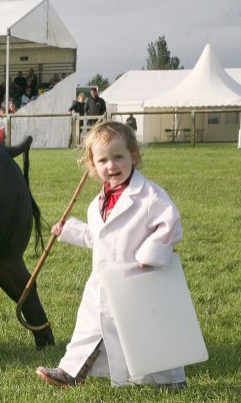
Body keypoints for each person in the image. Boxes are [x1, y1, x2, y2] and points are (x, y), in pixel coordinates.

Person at [35, 121, 187, 391]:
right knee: (89, 325)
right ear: (92, 166)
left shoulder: (150, 196)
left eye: (118, 157)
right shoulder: (98, 203)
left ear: (134, 156)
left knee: (146, 331)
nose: (111, 165)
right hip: (103, 281)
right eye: (103, 160)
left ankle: (168, 381)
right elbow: (99, 237)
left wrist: (150, 254)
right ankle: (71, 371)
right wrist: (68, 230)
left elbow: (170, 225)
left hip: (138, 278)